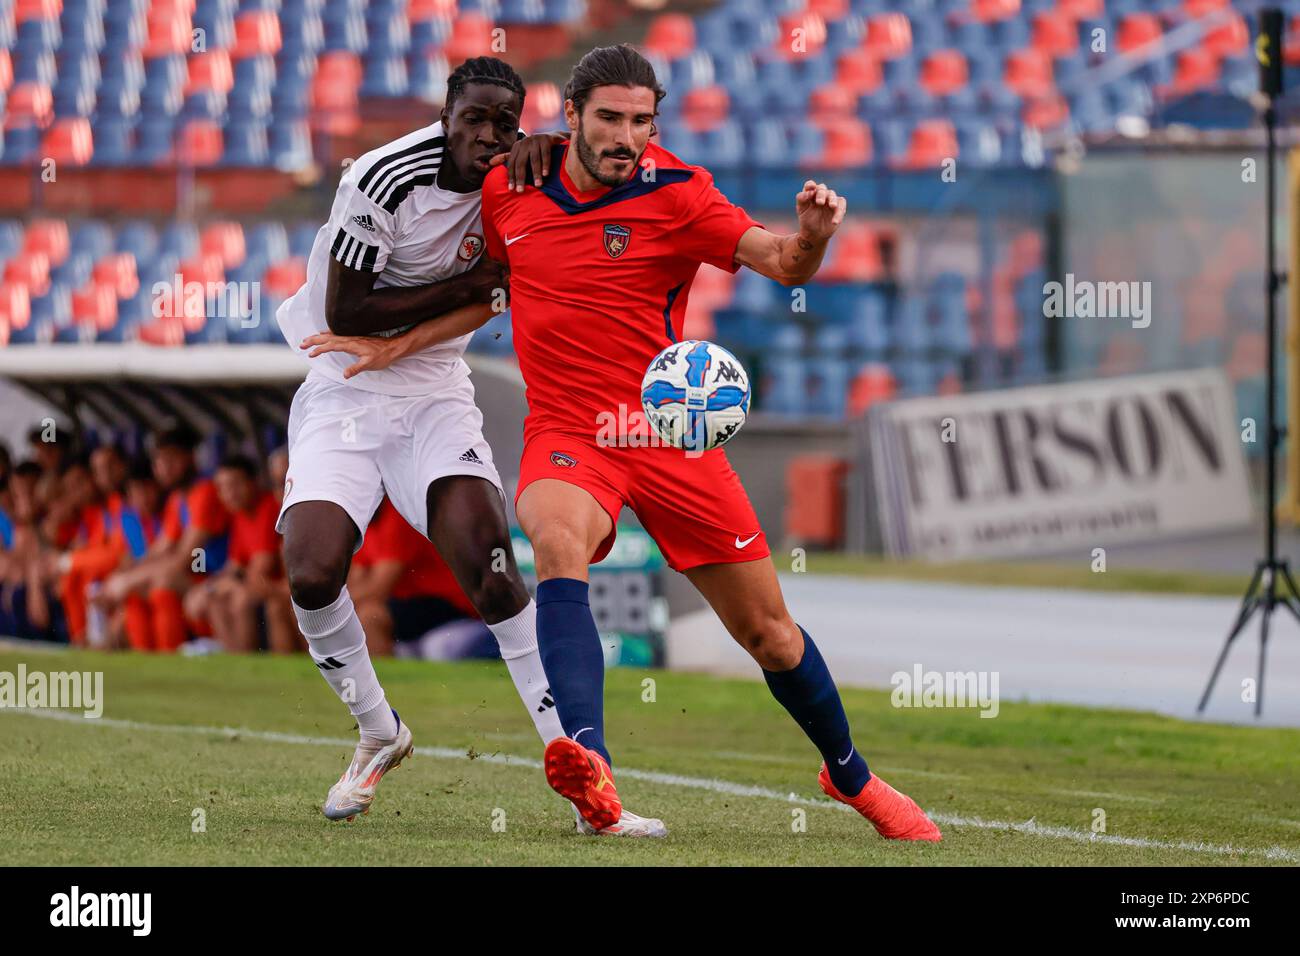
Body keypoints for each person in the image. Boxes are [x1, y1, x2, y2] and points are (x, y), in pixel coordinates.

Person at [328, 45, 941, 840]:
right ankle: (591, 767)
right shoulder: (509, 189)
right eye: (609, 119)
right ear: (571, 115)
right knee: (554, 540)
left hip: (670, 438)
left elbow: (783, 264)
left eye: (641, 122)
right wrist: (396, 345)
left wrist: (815, 237)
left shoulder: (681, 194)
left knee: (768, 634)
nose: (626, 137)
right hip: (569, 432)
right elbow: (489, 290)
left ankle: (851, 776)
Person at [275, 55, 663, 835]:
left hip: (433, 397)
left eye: (502, 125)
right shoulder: (384, 179)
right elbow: (354, 308)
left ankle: (587, 782)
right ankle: (380, 731)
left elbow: (550, 228)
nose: (486, 138)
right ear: (445, 117)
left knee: (492, 572)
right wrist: (480, 282)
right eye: (472, 121)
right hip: (345, 383)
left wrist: (547, 165)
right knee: (312, 571)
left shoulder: (527, 178)